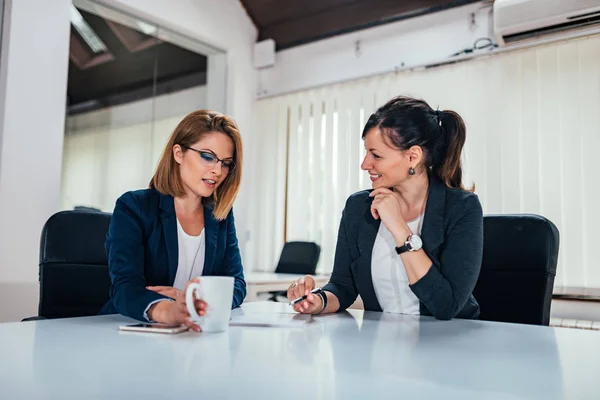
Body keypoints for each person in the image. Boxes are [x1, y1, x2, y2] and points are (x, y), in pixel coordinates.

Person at [287, 95, 483, 320]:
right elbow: (343, 286)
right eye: (366, 152)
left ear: (412, 156)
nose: (364, 164)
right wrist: (317, 301)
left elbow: (446, 306)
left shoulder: (462, 208)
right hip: (382, 341)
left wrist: (399, 227)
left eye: (376, 155)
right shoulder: (358, 207)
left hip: (452, 344)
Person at [99, 110, 246, 331]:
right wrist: (168, 310)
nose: (217, 170)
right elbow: (125, 287)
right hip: (130, 333)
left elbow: (236, 285)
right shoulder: (134, 207)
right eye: (207, 156)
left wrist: (191, 300)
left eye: (226, 163)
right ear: (178, 153)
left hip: (192, 335)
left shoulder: (221, 215)